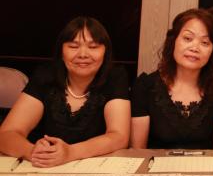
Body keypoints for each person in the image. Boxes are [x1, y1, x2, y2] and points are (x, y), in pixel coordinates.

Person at [0, 17, 130, 166]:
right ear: (61, 52)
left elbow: (119, 136)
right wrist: (34, 152)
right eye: (73, 46)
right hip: (42, 170)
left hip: (93, 170)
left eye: (93, 47)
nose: (83, 54)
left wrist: (70, 152)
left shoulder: (115, 77)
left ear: (105, 52)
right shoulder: (45, 76)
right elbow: (7, 133)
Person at [130, 9, 213, 150]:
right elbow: (137, 150)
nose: (195, 48)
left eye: (205, 42)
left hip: (206, 164)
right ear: (173, 41)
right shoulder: (145, 87)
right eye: (187, 39)